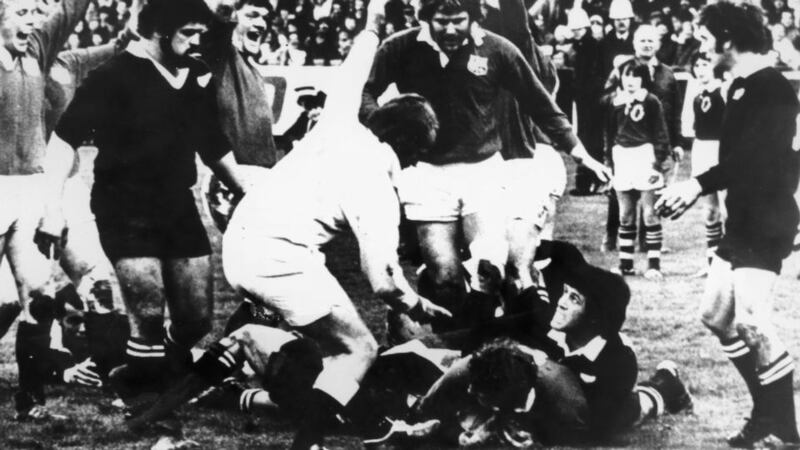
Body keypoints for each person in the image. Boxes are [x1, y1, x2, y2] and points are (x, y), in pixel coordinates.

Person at [222, 0, 451, 447]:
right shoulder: (378, 186)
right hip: (278, 259)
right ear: (410, 150)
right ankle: (307, 443)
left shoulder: (339, 123)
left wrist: (371, 26)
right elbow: (383, 282)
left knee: (335, 346)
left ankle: (368, 427)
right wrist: (417, 305)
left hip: (240, 241)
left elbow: (351, 73)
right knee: (358, 348)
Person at [40, 0, 250, 422]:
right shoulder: (112, 77)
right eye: (188, 33)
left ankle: (134, 373)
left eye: (200, 33)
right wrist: (53, 208)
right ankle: (153, 416)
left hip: (177, 204)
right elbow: (63, 143)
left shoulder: (191, 76)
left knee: (196, 321)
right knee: (148, 315)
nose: (197, 41)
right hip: (124, 205)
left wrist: (247, 192)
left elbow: (212, 143)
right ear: (159, 30)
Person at [360, 0, 609, 334]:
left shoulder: (496, 49)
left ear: (473, 17)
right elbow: (365, 91)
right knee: (445, 276)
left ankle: (509, 343)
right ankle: (459, 352)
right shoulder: (402, 47)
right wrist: (382, 126)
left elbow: (542, 105)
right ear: (426, 18)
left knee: (489, 267)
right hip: (427, 174)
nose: (450, 29)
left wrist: (582, 155)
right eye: (441, 21)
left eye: (458, 20)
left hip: (483, 171)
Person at [656, 2, 800, 447]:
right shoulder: (741, 85)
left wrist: (696, 185)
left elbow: (759, 159)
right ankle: (767, 416)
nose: (701, 46)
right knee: (716, 316)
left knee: (753, 323)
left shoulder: (771, 87)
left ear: (727, 39)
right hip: (745, 220)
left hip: (768, 221)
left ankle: (787, 431)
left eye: (705, 37)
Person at [412, 264, 693, 446]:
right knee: (487, 363)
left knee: (635, 407)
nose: (561, 302)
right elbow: (482, 334)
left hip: (592, 407)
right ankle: (421, 412)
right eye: (565, 293)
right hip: (536, 396)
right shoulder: (544, 321)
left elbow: (591, 429)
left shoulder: (617, 360)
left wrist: (531, 430)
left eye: (574, 299)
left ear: (596, 317)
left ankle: (666, 383)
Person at [0, 0, 92, 421]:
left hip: (30, 188)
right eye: (21, 14)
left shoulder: (35, 51)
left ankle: (31, 402)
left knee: (38, 295)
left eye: (36, 13)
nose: (33, 22)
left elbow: (70, 8)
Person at [603, 24, 684, 253]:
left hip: (657, 141)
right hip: (628, 141)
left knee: (652, 192)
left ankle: (647, 241)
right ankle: (611, 237)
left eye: (651, 41)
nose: (647, 45)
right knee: (621, 194)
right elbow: (606, 98)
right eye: (642, 41)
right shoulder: (623, 68)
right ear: (634, 43)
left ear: (657, 44)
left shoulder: (667, 73)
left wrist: (676, 143)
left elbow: (675, 110)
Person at [604, 58, 670, 279]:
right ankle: (626, 264)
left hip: (645, 156)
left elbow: (661, 132)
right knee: (625, 215)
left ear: (643, 79)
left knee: (650, 214)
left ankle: (653, 265)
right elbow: (610, 135)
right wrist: (609, 162)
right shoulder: (615, 102)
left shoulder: (651, 101)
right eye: (626, 75)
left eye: (635, 76)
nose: (630, 81)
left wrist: (659, 162)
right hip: (622, 158)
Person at [683, 52, 725, 277]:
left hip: (722, 150)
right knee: (709, 210)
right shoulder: (697, 95)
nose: (700, 69)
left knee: (727, 208)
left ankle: (730, 262)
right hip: (702, 150)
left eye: (705, 64)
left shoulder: (724, 91)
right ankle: (711, 262)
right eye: (697, 65)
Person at [568, 7, 605, 196]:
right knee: (586, 139)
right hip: (585, 100)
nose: (575, 33)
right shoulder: (583, 46)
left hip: (591, 100)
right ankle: (587, 181)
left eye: (578, 29)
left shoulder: (590, 47)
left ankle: (591, 181)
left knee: (591, 140)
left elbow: (594, 75)